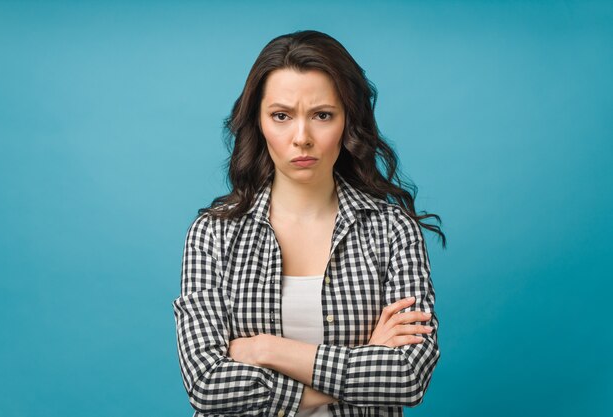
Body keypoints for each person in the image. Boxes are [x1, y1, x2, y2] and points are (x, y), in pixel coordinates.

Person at [172, 30, 446, 417]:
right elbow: (206, 385)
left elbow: (407, 376)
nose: (302, 138)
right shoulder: (213, 233)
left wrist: (267, 349)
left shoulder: (392, 231)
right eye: (281, 116)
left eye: (322, 115)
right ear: (259, 122)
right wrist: (365, 361)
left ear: (348, 121)